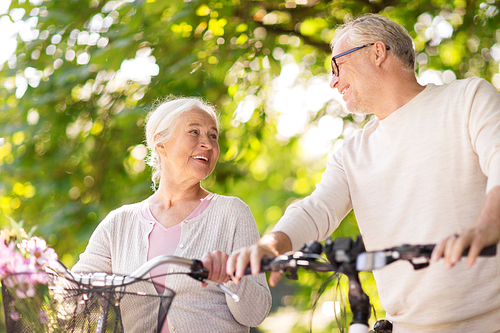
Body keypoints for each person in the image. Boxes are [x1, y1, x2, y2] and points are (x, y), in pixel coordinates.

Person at [228, 13, 500, 332]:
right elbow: (317, 209)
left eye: (337, 66)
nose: (332, 81)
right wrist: (271, 246)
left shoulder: (466, 99)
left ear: (377, 52)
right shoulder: (352, 153)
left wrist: (488, 224)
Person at [72, 96, 271, 333]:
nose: (207, 143)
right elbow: (72, 298)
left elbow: (256, 313)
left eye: (213, 135)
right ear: (160, 144)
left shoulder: (232, 214)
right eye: (194, 132)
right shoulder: (119, 224)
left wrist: (232, 276)